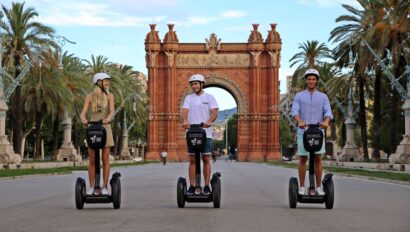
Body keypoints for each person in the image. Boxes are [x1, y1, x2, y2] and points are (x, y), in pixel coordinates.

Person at [291, 68, 333, 196]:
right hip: (303, 132)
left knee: (318, 158)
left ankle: (319, 186)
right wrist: (299, 121)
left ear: (317, 81)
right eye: (309, 79)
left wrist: (326, 121)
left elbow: (328, 112)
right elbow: (294, 111)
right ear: (306, 80)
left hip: (318, 132)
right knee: (303, 158)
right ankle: (302, 186)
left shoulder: (323, 96)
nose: (311, 81)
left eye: (313, 79)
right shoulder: (299, 96)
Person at [182, 74, 219, 195]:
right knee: (192, 159)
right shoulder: (189, 98)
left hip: (205, 132)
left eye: (196, 84)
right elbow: (185, 111)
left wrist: (209, 122)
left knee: (206, 158)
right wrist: (185, 120)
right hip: (191, 132)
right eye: (192, 84)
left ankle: (207, 185)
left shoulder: (210, 98)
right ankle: (192, 186)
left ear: (202, 84)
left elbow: (214, 112)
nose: (194, 86)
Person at [80, 72, 115, 195]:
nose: (108, 83)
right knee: (92, 159)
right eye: (106, 81)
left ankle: (104, 187)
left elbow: (112, 112)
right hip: (93, 128)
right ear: (99, 82)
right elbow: (83, 113)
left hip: (105, 128)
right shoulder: (89, 97)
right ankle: (91, 187)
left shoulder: (110, 96)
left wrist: (108, 119)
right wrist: (83, 119)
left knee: (105, 159)